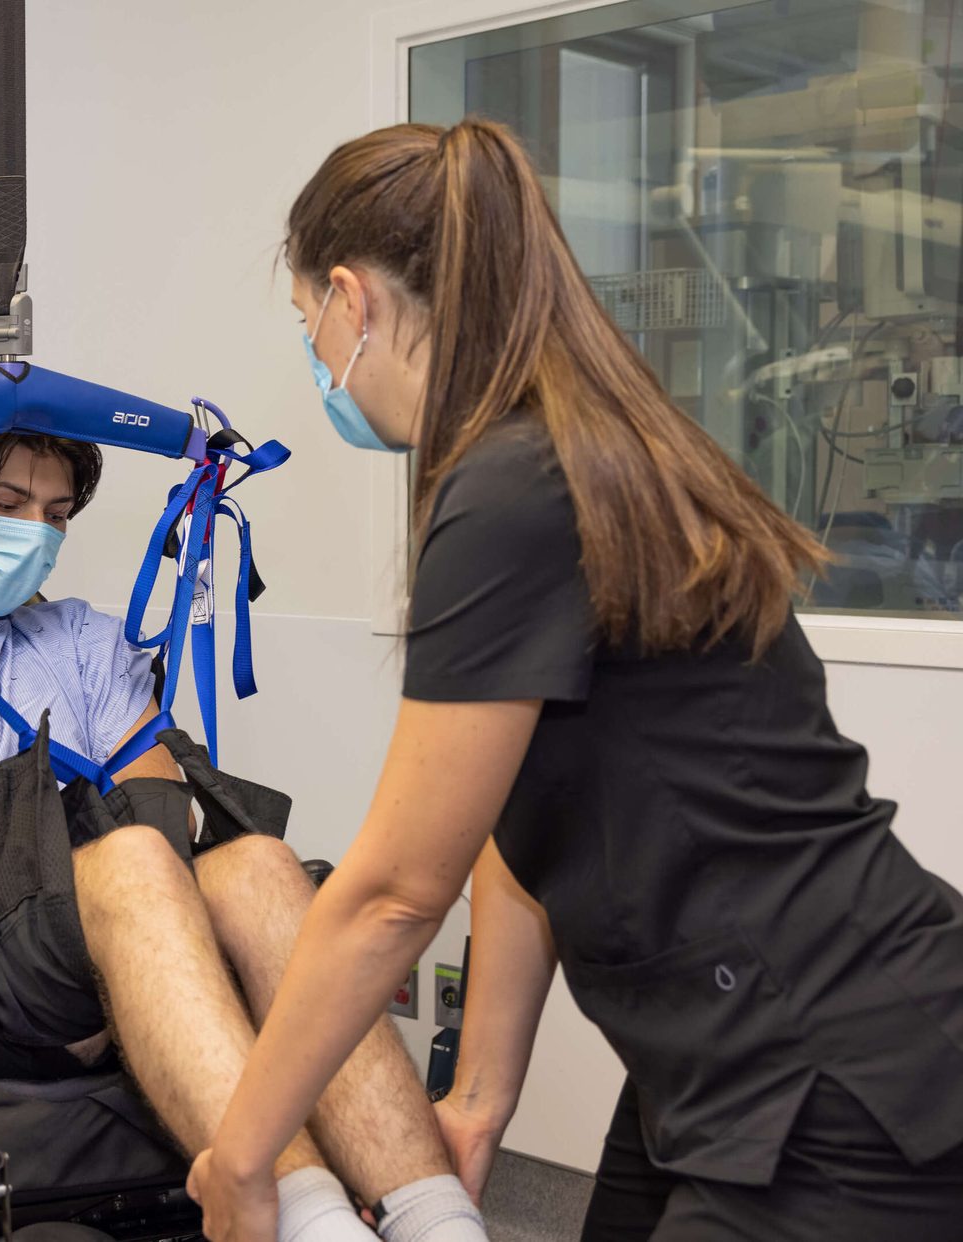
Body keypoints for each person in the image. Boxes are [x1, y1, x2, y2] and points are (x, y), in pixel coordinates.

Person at [186, 119, 963, 1242]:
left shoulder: (512, 486)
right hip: (745, 1044)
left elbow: (397, 892)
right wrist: (483, 1099)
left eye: (309, 326)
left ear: (353, 302)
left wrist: (244, 1157)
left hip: (830, 1073)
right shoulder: (576, 444)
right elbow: (513, 821)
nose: (317, 360)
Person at [0, 431, 489, 1242]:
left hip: (103, 924)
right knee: (128, 856)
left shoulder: (83, 640)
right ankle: (309, 1222)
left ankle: (437, 1219)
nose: (35, 532)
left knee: (257, 863)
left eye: (53, 515)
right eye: (9, 506)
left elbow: (161, 799)